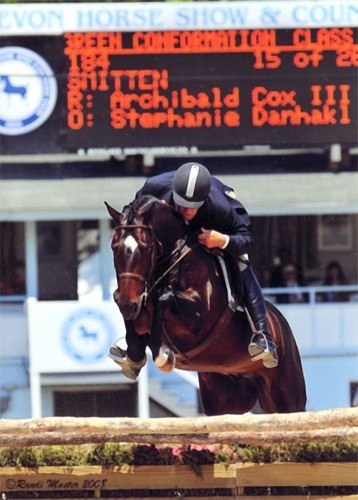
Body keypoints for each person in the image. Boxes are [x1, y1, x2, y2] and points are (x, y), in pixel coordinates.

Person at [110, 162, 278, 378]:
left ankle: (262, 336)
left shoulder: (219, 206)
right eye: (181, 203)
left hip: (214, 228)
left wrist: (223, 240)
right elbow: (129, 214)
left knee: (241, 260)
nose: (185, 211)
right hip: (169, 235)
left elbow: (247, 240)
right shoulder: (154, 187)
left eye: (192, 206)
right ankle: (134, 347)